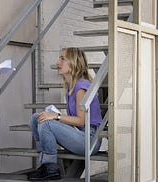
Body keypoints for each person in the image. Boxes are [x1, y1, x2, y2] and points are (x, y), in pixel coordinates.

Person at [28, 47, 103, 181]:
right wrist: (53, 115)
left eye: (62, 58)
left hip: (89, 140)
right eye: (59, 58)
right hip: (79, 133)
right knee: (35, 118)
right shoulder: (71, 86)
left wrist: (56, 116)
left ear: (74, 62)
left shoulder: (81, 87)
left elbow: (81, 121)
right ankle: (45, 165)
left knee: (48, 124)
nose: (58, 62)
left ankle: (51, 168)